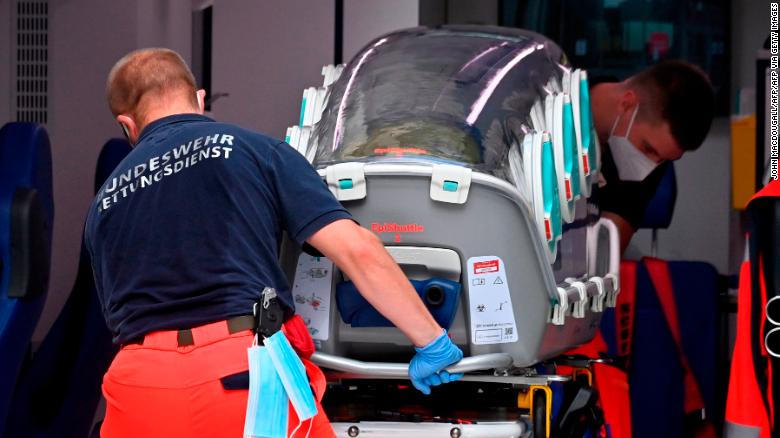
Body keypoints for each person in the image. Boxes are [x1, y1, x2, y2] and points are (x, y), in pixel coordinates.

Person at [86, 48, 463, 438]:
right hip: (240, 376)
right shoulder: (254, 150)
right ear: (198, 98)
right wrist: (431, 340)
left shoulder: (102, 205)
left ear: (127, 125)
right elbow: (358, 251)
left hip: (139, 387)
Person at [589, 60, 715, 252]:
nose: (650, 165)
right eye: (648, 149)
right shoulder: (549, 101)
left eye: (663, 159)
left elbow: (604, 252)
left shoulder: (650, 163)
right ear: (626, 104)